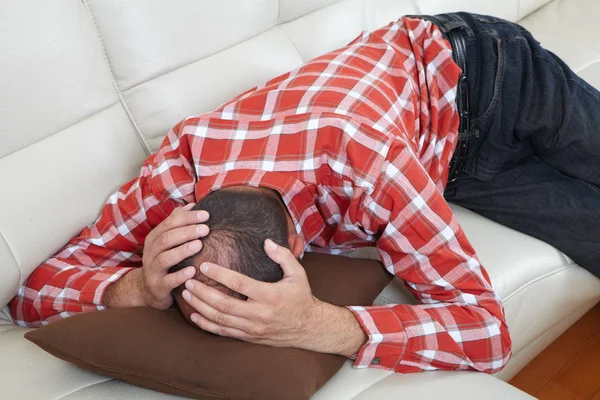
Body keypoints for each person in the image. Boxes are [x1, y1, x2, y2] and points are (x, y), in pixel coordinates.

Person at [11, 12, 600, 374]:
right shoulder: (176, 172)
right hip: (439, 153)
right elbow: (31, 293)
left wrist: (318, 324)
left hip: (487, 69)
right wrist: (135, 286)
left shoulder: (363, 163)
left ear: (301, 245)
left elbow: (486, 333)